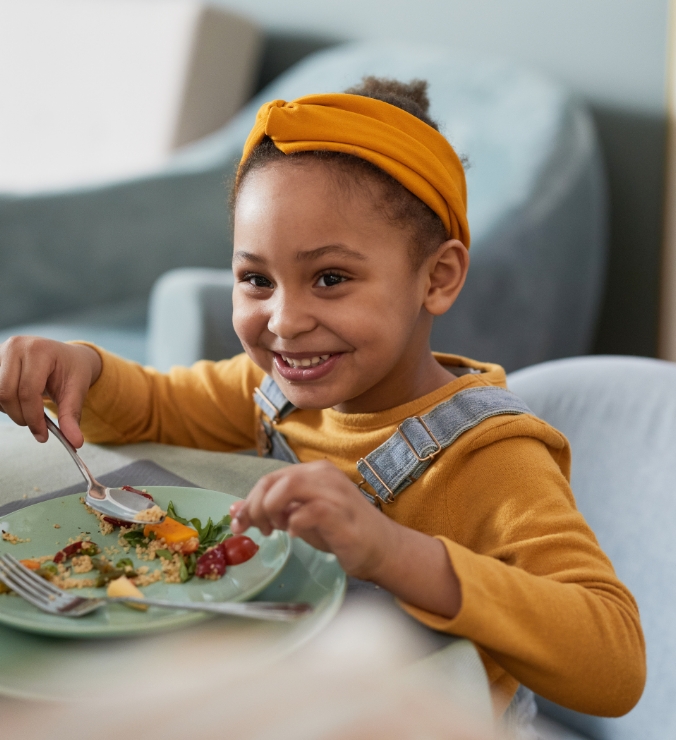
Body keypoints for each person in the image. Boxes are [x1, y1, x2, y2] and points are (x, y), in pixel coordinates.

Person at [0, 78, 645, 719]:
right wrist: (81, 367)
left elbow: (615, 664)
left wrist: (393, 553)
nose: (283, 320)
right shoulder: (276, 391)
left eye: (330, 278)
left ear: (437, 278)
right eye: (256, 279)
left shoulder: (491, 459)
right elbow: (157, 407)